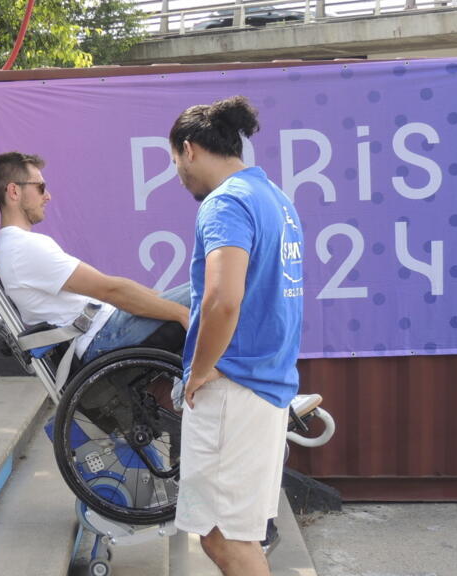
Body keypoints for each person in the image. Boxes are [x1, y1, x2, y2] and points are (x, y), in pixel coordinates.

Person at [170, 95, 304, 576]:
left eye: (175, 163)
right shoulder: (275, 199)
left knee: (225, 539)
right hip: (265, 384)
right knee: (233, 536)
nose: (179, 175)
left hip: (233, 387)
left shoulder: (225, 202)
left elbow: (224, 300)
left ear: (189, 150)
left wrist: (200, 371)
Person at [0, 152, 190, 367]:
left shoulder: (18, 246)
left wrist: (167, 301)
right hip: (103, 337)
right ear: (14, 191)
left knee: (206, 295)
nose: (47, 196)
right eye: (40, 187)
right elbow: (110, 290)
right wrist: (181, 312)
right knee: (211, 292)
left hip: (102, 330)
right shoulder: (23, 247)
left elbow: (109, 287)